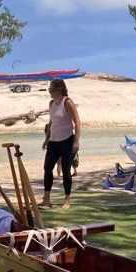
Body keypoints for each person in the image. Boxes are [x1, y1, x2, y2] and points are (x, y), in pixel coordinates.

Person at [39, 78, 81, 210]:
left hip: (67, 140)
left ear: (59, 89)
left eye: (51, 89)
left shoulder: (67, 102)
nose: (49, 91)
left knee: (66, 170)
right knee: (47, 168)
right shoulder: (51, 103)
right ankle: (46, 198)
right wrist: (47, 138)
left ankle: (67, 199)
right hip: (54, 141)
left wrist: (76, 141)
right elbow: (51, 122)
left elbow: (77, 122)